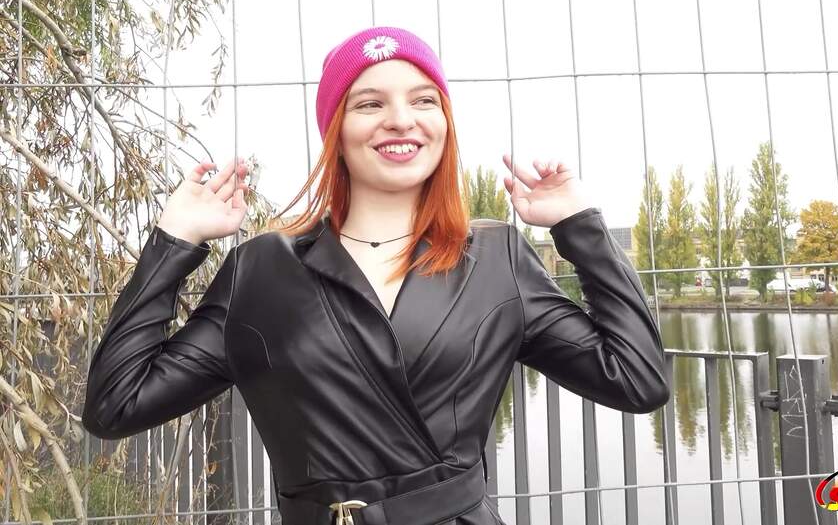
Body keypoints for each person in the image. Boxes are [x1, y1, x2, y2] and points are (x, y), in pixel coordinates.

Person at [82, 26, 669, 525]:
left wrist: (579, 226)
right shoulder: (260, 270)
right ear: (335, 128)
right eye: (369, 104)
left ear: (445, 122)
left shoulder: (498, 259)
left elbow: (637, 379)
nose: (401, 120)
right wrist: (175, 241)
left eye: (423, 100)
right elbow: (116, 404)